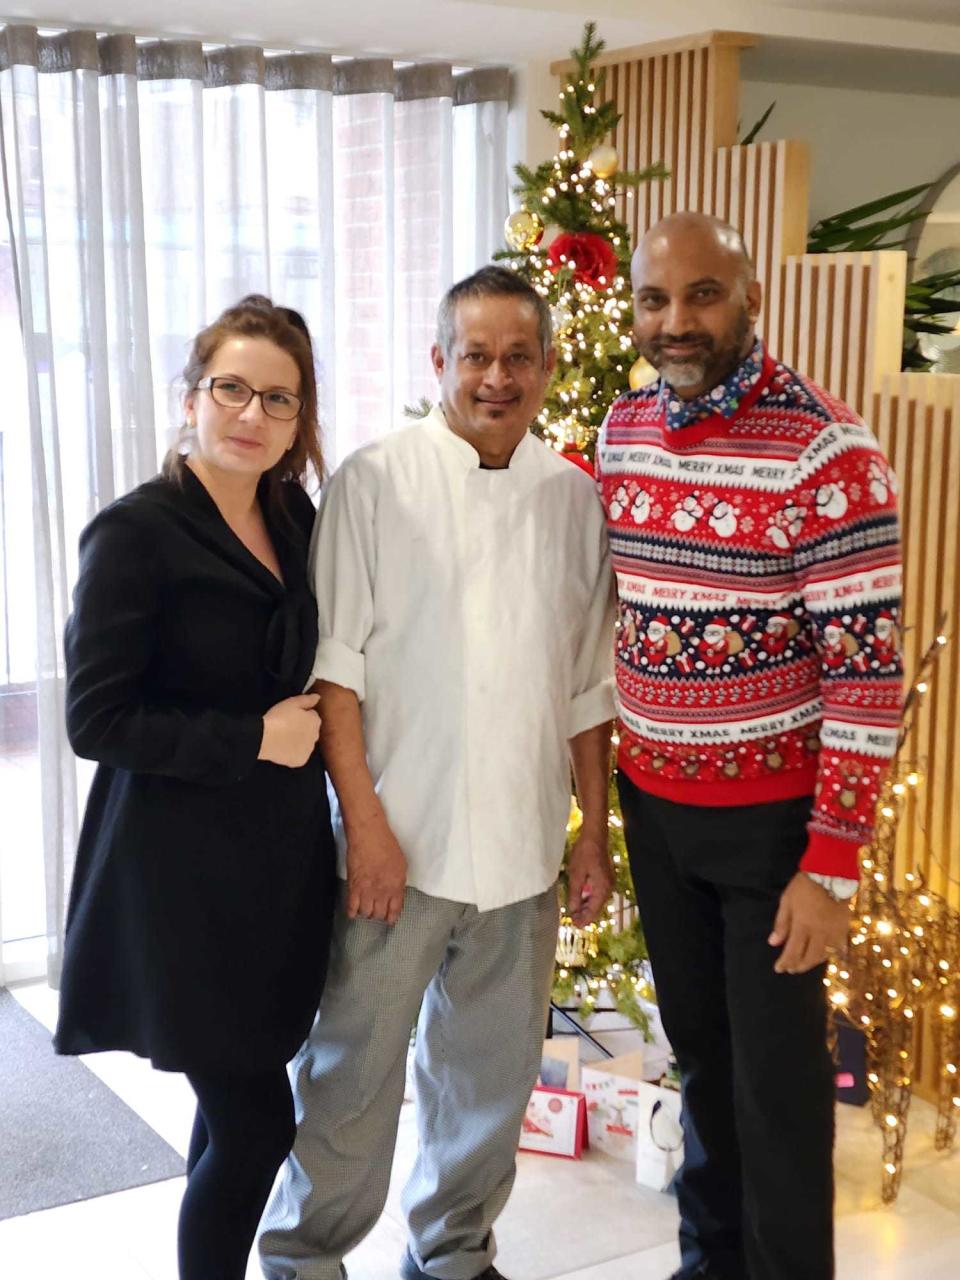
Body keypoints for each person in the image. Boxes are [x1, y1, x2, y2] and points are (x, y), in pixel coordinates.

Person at [259, 266, 617, 1280]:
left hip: (520, 842)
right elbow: (339, 674)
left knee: (489, 1081)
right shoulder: (375, 481)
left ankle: (454, 1252)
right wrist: (364, 825)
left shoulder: (573, 497)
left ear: (546, 367)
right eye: (475, 354)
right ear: (438, 362)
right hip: (396, 843)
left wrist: (591, 832)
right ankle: (303, 1256)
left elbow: (589, 684)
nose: (495, 376)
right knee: (350, 1076)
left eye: (517, 356)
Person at [597, 212, 903, 1280]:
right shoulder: (622, 428)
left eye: (702, 294)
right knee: (704, 1062)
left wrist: (831, 863)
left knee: (775, 1088)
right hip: (656, 804)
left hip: (774, 826)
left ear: (750, 296)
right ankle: (709, 1261)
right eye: (653, 299)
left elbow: (868, 680)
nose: (675, 322)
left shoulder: (829, 450)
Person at [54, 295, 338, 1280]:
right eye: (232, 388)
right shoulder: (134, 534)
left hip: (277, 864)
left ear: (300, 418)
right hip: (178, 877)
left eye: (279, 398)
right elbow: (96, 720)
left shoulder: (291, 511)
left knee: (236, 1114)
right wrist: (250, 735)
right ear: (191, 396)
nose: (252, 414)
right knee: (260, 1119)